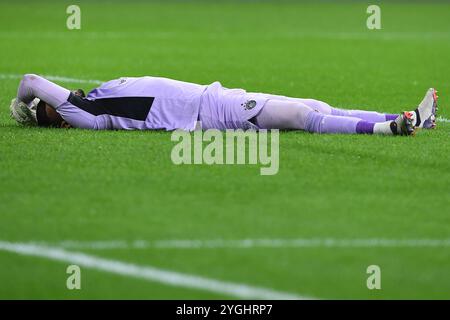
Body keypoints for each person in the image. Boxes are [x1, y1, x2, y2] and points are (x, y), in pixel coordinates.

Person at [10, 74, 438, 135]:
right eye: (51, 107)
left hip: (216, 96)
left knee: (316, 103)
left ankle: (409, 118)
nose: (60, 98)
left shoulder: (100, 93)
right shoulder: (87, 116)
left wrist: (31, 111)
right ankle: (390, 129)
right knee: (300, 116)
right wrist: (22, 108)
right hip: (208, 112)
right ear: (60, 116)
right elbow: (31, 81)